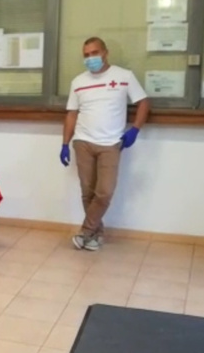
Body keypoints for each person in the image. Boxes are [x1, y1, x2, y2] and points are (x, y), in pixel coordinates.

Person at [60, 37, 150, 252]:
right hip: (83, 142)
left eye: (94, 53)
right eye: (86, 55)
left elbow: (144, 103)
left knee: (105, 191)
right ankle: (95, 234)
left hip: (111, 143)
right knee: (87, 192)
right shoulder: (78, 82)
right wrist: (65, 143)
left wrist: (135, 129)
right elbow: (72, 114)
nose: (90, 58)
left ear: (105, 53)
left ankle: (85, 232)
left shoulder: (124, 76)